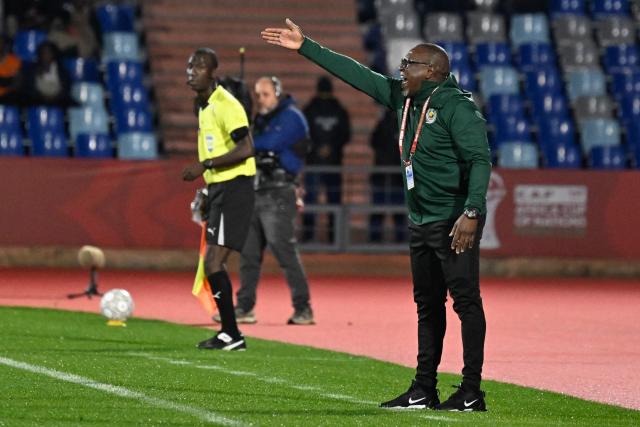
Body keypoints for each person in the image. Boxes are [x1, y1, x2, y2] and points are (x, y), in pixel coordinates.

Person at [261, 19, 491, 411]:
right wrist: (306, 46)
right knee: (427, 304)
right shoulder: (403, 97)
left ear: (433, 71)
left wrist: (471, 212)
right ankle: (424, 388)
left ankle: (471, 391)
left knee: (465, 301)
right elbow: (357, 74)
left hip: (453, 219)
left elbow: (480, 160)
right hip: (420, 219)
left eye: (410, 64)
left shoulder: (457, 108)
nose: (402, 69)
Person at [220, 75, 314, 325]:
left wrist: (245, 142)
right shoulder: (261, 120)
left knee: (285, 252)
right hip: (256, 189)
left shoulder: (291, 117)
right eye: (257, 95)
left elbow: (267, 143)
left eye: (265, 95)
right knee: (249, 255)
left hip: (279, 192)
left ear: (278, 94)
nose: (260, 100)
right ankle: (244, 307)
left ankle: (303, 308)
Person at [182, 47, 256, 351]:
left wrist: (206, 166)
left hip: (235, 186)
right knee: (212, 263)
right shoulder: (202, 105)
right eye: (189, 66)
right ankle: (229, 333)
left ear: (213, 72)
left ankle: (231, 333)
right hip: (220, 188)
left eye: (199, 66)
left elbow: (247, 147)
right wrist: (207, 189)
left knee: (214, 262)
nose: (191, 71)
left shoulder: (226, 104)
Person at [302, 75, 351, 243]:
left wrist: (317, 148)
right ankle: (333, 237)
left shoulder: (309, 109)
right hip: (332, 162)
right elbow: (345, 134)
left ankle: (309, 236)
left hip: (315, 163)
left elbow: (303, 134)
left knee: (311, 201)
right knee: (333, 200)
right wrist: (331, 147)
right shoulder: (339, 110)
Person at [369, 107, 406, 243]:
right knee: (396, 211)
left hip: (385, 174)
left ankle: (375, 239)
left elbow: (373, 142)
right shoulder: (405, 124)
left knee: (382, 210)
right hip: (393, 175)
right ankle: (399, 239)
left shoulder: (383, 123)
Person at [21, 41, 74, 107]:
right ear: (40, 54)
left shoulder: (61, 71)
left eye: (49, 52)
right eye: (44, 52)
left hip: (58, 100)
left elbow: (66, 89)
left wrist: (55, 97)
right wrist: (43, 97)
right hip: (38, 100)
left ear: (53, 54)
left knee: (72, 103)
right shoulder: (32, 70)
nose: (46, 55)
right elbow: (29, 89)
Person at [0, 35, 22, 105]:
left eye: (2, 43)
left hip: (8, 96)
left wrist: (6, 84)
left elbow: (17, 83)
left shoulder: (15, 61)